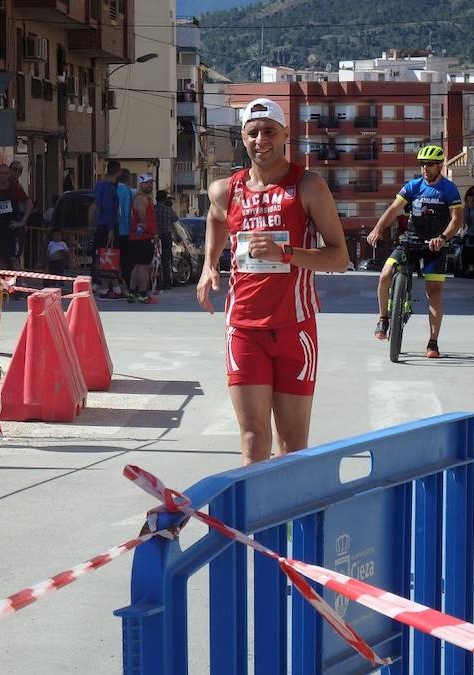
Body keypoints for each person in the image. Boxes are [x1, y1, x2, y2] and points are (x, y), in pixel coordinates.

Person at [196, 97, 348, 465]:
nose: (260, 140)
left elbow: (339, 258)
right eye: (252, 133)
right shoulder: (225, 190)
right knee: (252, 440)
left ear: (285, 135)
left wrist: (287, 254)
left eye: (269, 132)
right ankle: (253, 524)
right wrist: (208, 265)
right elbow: (216, 218)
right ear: (242, 138)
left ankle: (290, 523)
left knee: (292, 446)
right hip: (244, 329)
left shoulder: (307, 185)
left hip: (294, 329)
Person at [367, 145, 463, 358]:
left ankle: (433, 342)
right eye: (422, 164)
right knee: (384, 275)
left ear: (440, 165)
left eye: (429, 164)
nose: (425, 168)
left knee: (434, 294)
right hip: (409, 242)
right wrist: (377, 229)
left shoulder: (449, 189)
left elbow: (457, 220)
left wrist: (443, 238)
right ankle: (383, 319)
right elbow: (393, 209)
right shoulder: (413, 186)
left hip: (435, 246)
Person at [0, 163, 32, 270]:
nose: (3, 176)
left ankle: (17, 282)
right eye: (0, 173)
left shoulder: (15, 188)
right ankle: (1, 283)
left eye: (5, 173)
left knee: (14, 258)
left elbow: (29, 203)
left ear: (8, 175)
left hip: (13, 228)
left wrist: (22, 222)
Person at [128, 174, 159, 304]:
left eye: (151, 183)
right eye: (147, 183)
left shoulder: (141, 197)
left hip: (137, 236)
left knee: (137, 265)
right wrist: (145, 225)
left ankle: (132, 292)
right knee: (144, 266)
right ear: (141, 184)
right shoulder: (141, 198)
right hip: (144, 236)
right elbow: (141, 211)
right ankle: (142, 293)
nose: (150, 185)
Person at [91, 159, 121, 289]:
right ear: (118, 172)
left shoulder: (99, 185)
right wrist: (111, 229)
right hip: (108, 226)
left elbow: (94, 206)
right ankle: (110, 286)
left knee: (98, 254)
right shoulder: (110, 188)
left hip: (99, 225)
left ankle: (96, 281)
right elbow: (108, 208)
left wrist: (91, 224)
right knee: (109, 254)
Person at [116, 168, 134, 295]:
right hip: (125, 231)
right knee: (126, 261)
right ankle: (128, 286)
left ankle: (114, 285)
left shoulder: (114, 189)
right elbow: (127, 212)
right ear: (128, 179)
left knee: (114, 260)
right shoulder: (127, 191)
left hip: (113, 229)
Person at [154, 190, 177, 291]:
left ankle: (156, 282)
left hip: (155, 236)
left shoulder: (153, 208)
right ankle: (167, 283)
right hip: (166, 236)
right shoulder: (168, 210)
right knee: (166, 260)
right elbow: (175, 219)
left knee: (155, 260)